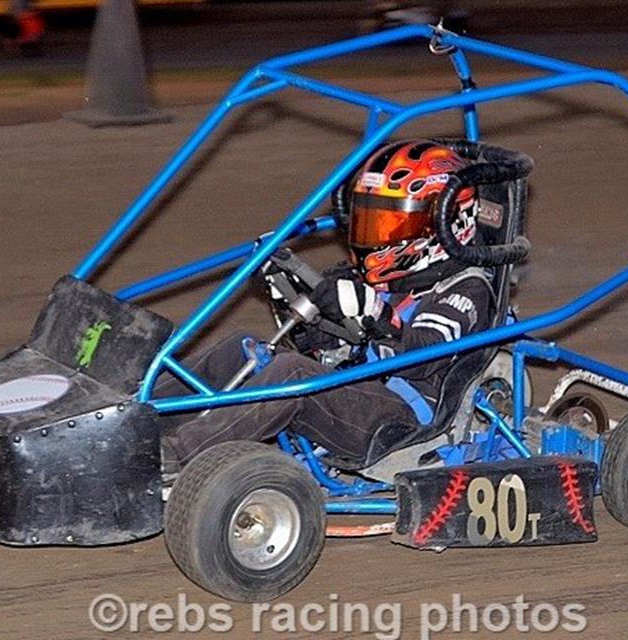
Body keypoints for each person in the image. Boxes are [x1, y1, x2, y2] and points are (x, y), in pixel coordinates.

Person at [158, 140, 498, 470]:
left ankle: (173, 457)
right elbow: (336, 341)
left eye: (390, 223)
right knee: (241, 348)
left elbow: (422, 359)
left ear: (449, 222)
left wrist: (377, 314)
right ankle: (140, 422)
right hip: (357, 386)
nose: (376, 235)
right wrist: (295, 296)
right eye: (371, 220)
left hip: (404, 416)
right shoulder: (386, 276)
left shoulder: (465, 289)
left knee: (293, 374)